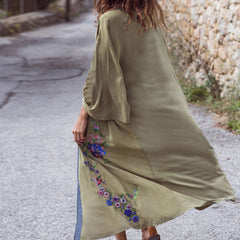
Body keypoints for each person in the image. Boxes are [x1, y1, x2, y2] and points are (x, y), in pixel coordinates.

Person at [72, 1, 236, 239]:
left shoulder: (110, 20)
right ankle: (149, 230)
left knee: (103, 162)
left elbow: (102, 77)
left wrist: (82, 116)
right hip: (152, 113)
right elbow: (162, 72)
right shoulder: (148, 19)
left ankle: (127, 236)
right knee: (138, 169)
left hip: (120, 111)